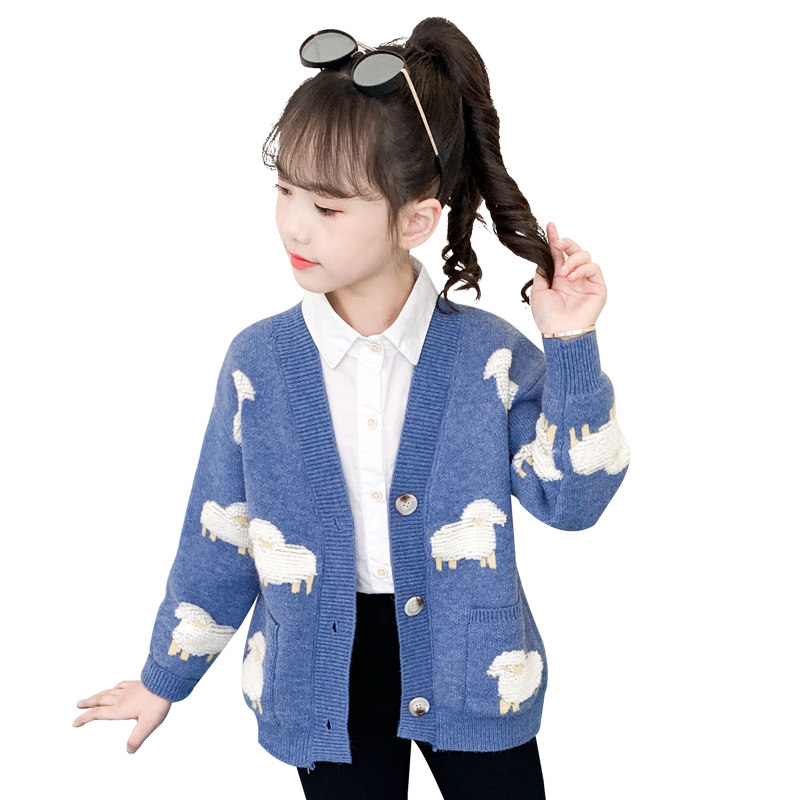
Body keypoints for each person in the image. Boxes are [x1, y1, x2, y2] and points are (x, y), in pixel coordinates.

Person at [73, 17, 629, 800]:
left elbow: (573, 502)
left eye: (328, 207)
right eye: (285, 189)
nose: (294, 223)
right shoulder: (260, 365)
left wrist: (571, 345)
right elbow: (223, 533)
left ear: (415, 219)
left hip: (473, 667)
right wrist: (164, 677)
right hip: (319, 677)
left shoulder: (491, 359)